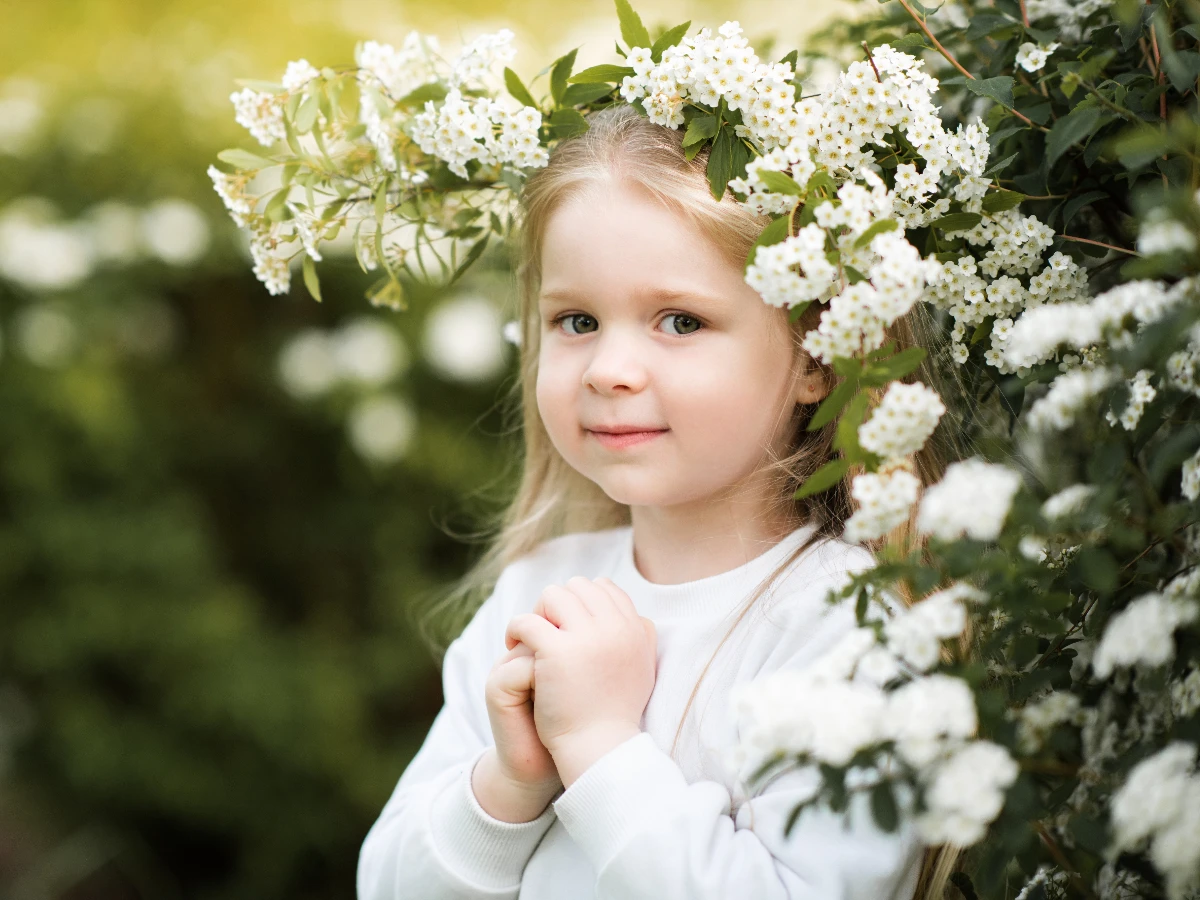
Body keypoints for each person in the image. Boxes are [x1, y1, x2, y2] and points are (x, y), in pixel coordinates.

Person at [356, 103, 966, 900]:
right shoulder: (537, 591)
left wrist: (600, 745)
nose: (609, 368)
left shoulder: (851, 621)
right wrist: (508, 784)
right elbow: (387, 885)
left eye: (680, 321)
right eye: (577, 320)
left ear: (820, 352)